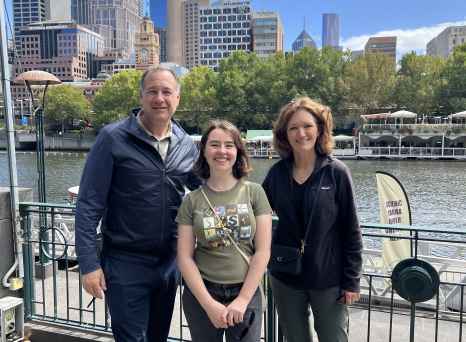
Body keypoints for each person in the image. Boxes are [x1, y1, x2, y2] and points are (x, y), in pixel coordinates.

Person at [75, 65, 200, 342]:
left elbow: (207, 190)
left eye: (167, 92)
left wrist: (249, 199)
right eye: (152, 91)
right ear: (141, 97)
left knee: (158, 337)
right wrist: (88, 264)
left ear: (178, 98)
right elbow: (88, 205)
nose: (160, 98)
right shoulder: (112, 138)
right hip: (125, 262)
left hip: (169, 263)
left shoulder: (186, 144)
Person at [262, 97, 363, 342]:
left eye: (307, 126)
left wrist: (352, 281)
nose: (301, 133)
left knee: (334, 338)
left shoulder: (336, 172)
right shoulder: (277, 173)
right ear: (285, 134)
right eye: (293, 128)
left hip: (329, 278)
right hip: (286, 275)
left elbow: (351, 229)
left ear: (319, 129)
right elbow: (257, 216)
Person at [176, 120, 272, 342]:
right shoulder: (192, 200)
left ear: (238, 151)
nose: (222, 151)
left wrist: (243, 299)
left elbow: (263, 250)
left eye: (229, 145)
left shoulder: (254, 193)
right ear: (204, 151)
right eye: (214, 145)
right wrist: (208, 304)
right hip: (203, 294)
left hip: (246, 293)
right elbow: (184, 256)